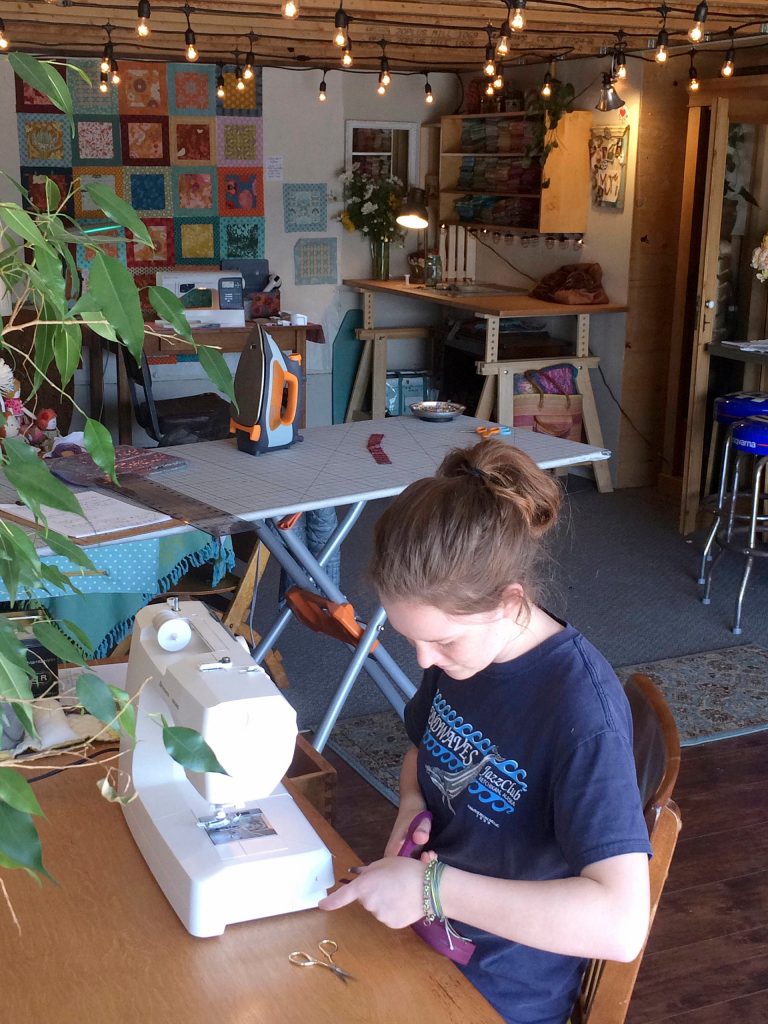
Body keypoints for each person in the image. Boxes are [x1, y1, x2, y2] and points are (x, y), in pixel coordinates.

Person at [320, 439, 652, 1024]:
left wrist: (430, 888)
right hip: (424, 936)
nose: (423, 661)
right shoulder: (465, 657)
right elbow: (422, 756)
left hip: (498, 992)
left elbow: (622, 925)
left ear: (508, 601)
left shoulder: (580, 713)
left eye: (441, 640)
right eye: (409, 638)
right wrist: (410, 808)